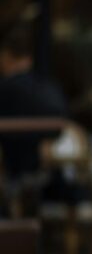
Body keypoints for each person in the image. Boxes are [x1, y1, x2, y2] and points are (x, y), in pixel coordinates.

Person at [0, 24, 67, 199]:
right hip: (51, 176)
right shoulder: (47, 87)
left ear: (6, 57)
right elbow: (59, 122)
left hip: (17, 176)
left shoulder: (6, 89)